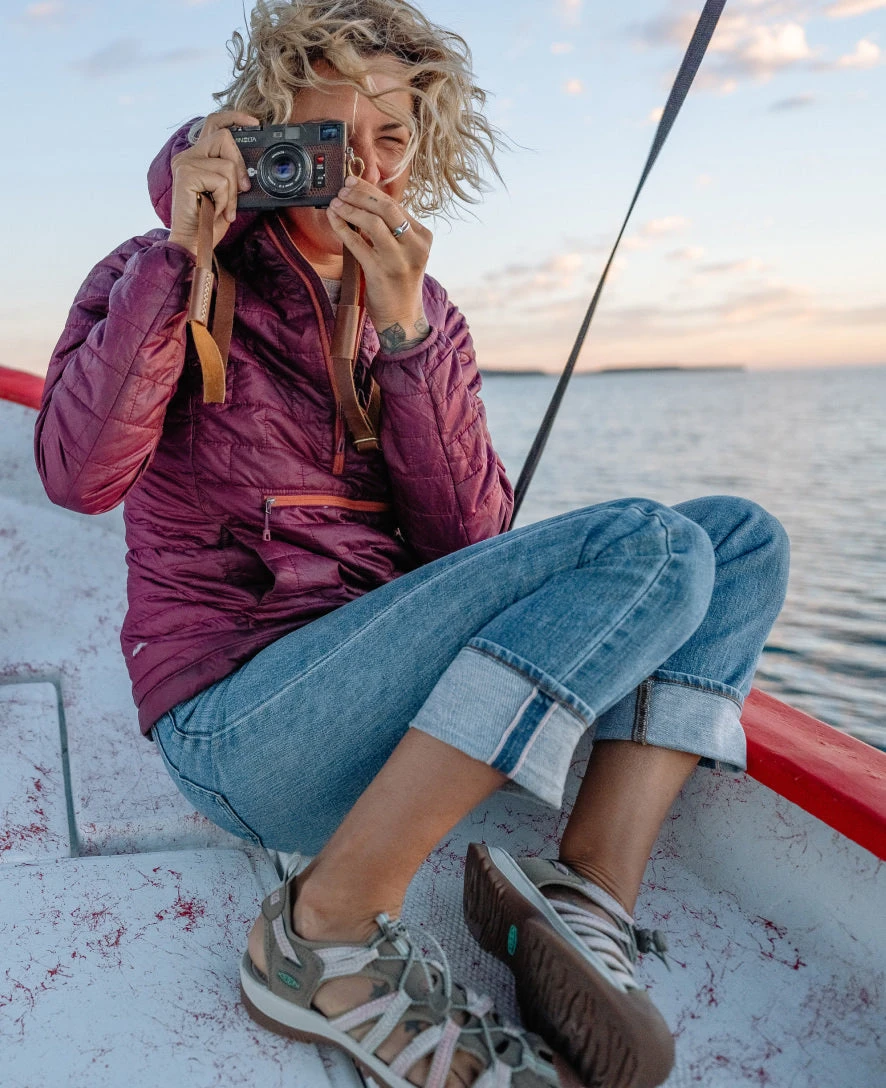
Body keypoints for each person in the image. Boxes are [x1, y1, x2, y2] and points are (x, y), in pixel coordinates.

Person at [34, 2, 790, 1087]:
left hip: (393, 713)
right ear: (264, 130)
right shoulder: (157, 270)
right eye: (329, 136)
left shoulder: (423, 307)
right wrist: (181, 258)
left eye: (391, 139)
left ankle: (584, 894)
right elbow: (77, 478)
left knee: (738, 541)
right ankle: (326, 930)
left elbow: (467, 546)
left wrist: (406, 338)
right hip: (245, 726)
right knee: (654, 547)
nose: (363, 168)